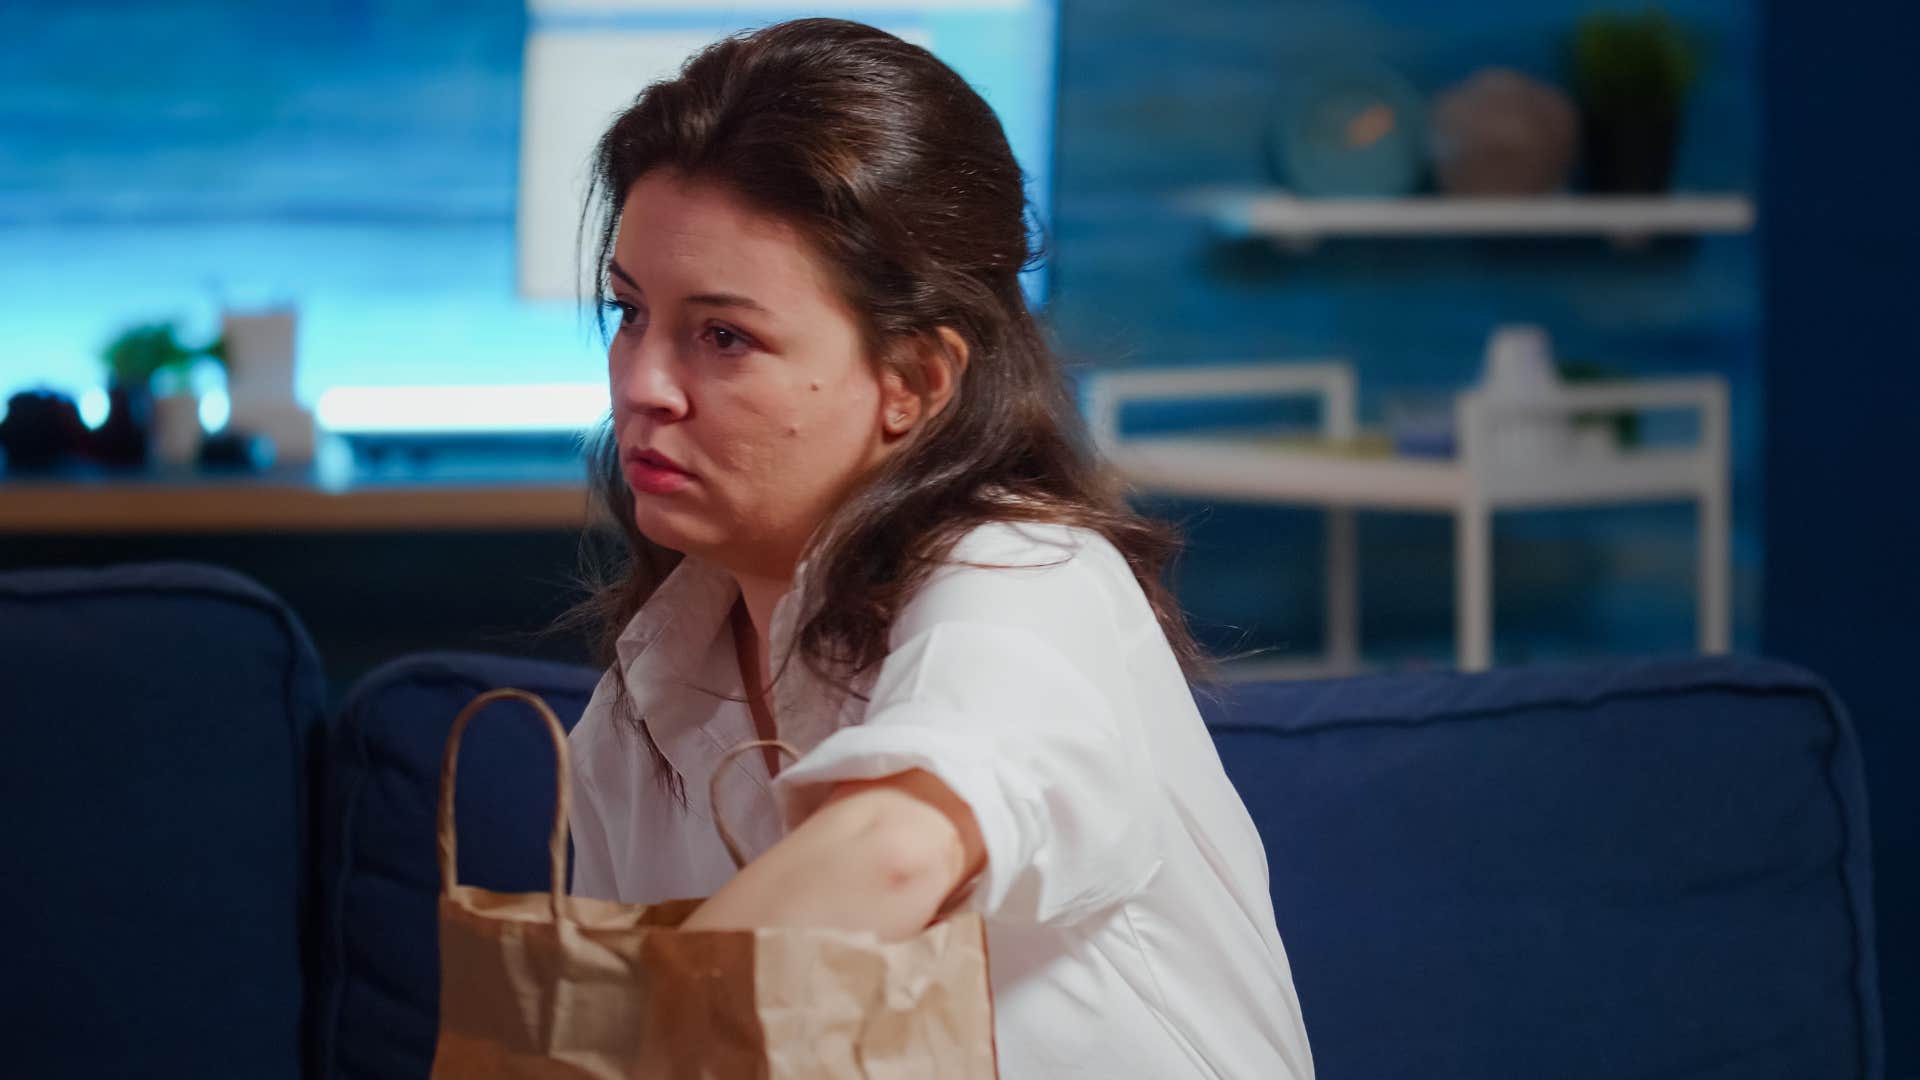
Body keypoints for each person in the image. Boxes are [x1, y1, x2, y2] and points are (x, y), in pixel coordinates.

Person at [564, 18, 1313, 1078]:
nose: (642, 383)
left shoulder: (1024, 577)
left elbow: (894, 849)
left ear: (914, 381)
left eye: (723, 337)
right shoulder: (640, 700)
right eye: (630, 312)